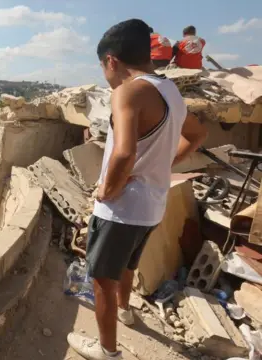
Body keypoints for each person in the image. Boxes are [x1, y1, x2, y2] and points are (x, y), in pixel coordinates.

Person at [67, 19, 207, 360]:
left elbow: (124, 152)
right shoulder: (169, 91)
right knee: (129, 263)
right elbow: (197, 135)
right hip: (152, 206)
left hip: (121, 209)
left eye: (104, 67)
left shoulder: (127, 91)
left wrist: (106, 191)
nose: (105, 75)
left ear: (111, 61)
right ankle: (126, 310)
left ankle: (107, 351)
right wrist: (163, 164)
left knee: (101, 277)